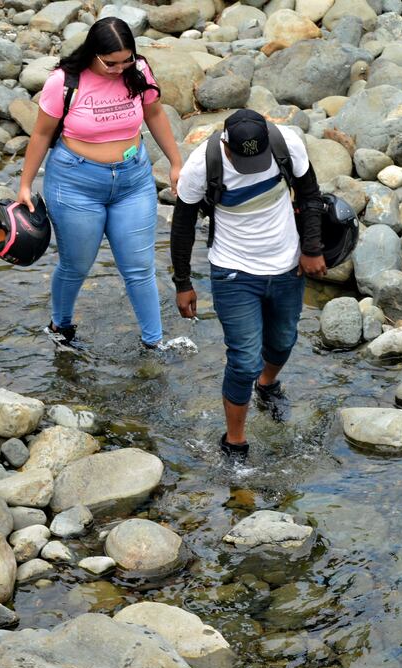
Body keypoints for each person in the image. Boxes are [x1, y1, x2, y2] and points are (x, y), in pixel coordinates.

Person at [17, 17, 182, 351]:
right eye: (111, 63)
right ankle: (60, 326)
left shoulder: (138, 72)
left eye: (126, 61)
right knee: (76, 265)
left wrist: (177, 162)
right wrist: (25, 184)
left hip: (133, 180)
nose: (119, 69)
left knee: (139, 268)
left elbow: (155, 115)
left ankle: (154, 344)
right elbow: (42, 133)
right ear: (93, 53)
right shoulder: (64, 81)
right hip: (75, 183)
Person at [170, 109, 326, 462]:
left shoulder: (287, 144)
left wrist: (312, 249)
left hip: (287, 267)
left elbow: (310, 195)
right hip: (233, 273)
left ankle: (268, 384)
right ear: (226, 145)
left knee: (283, 341)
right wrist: (183, 282)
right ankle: (235, 442)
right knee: (243, 360)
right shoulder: (202, 164)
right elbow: (182, 225)